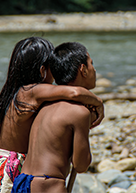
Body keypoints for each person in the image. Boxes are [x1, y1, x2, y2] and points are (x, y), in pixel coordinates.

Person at [0, 37, 104, 193]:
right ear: (42, 70)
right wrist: (98, 103)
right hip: (9, 172)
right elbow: (74, 92)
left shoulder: (15, 93)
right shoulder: (31, 92)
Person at [11, 42, 97, 193]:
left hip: (23, 181)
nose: (94, 70)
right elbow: (81, 165)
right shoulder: (79, 112)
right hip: (48, 184)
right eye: (91, 64)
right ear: (83, 70)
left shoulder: (44, 105)